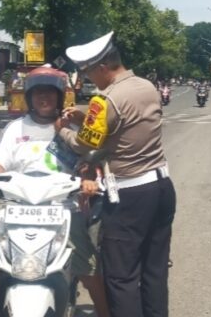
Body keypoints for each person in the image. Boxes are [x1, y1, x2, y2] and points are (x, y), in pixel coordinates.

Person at [0, 67, 109, 317]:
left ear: (59, 96)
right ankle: (6, 284)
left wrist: (88, 180)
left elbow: (88, 162)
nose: (43, 99)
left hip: (63, 205)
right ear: (30, 98)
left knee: (86, 266)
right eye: (38, 94)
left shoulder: (71, 126)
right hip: (18, 202)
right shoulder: (16, 128)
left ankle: (104, 311)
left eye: (49, 94)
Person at [55, 31, 176, 317]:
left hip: (129, 197)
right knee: (154, 271)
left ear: (102, 67)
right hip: (160, 188)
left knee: (120, 277)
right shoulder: (147, 86)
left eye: (87, 72)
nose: (86, 79)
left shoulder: (104, 100)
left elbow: (85, 143)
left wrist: (60, 130)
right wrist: (84, 118)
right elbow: (123, 128)